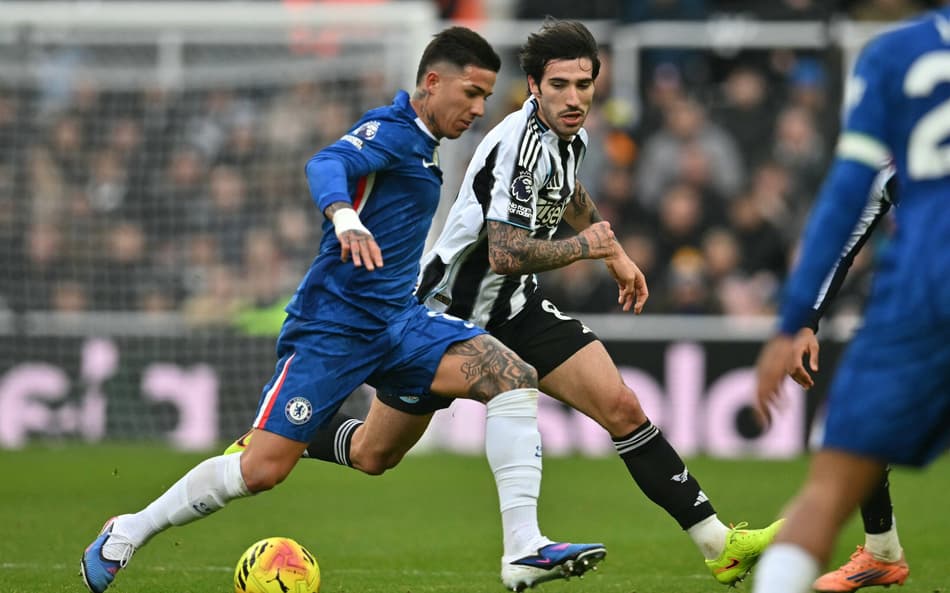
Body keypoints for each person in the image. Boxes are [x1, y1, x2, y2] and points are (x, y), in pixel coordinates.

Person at [243, 18, 782, 588]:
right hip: (449, 311)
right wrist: (585, 247)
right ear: (533, 86)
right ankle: (283, 433)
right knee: (377, 453)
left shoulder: (571, 137)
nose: (574, 98)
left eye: (583, 84)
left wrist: (613, 250)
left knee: (622, 406)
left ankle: (717, 544)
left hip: (515, 309)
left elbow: (569, 192)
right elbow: (502, 252)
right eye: (559, 86)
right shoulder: (514, 145)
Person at [80, 26, 603, 593]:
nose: (479, 109)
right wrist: (343, 216)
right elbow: (324, 164)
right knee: (262, 470)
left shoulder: (424, 151)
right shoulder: (392, 132)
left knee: (503, 381)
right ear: (432, 82)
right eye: (472, 93)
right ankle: (128, 530)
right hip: (332, 331)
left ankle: (523, 549)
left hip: (400, 323)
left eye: (485, 96)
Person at [753, 7, 950, 593]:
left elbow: (844, 203)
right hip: (919, 293)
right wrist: (809, 318)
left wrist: (793, 323)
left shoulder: (896, 54)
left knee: (829, 481)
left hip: (923, 297)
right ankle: (881, 550)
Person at [785, 163, 910, 592]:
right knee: (857, 418)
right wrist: (806, 322)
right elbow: (842, 248)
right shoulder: (890, 174)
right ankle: (882, 551)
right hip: (926, 324)